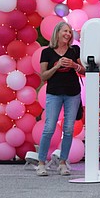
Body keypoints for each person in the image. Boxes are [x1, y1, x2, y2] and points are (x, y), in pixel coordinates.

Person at [36, 21, 84, 176]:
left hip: (72, 93)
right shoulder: (47, 52)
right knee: (49, 128)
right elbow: (43, 76)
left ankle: (63, 162)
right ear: (57, 33)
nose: (68, 34)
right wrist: (56, 67)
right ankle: (41, 162)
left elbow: (84, 70)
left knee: (69, 128)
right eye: (65, 31)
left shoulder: (75, 50)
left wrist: (74, 65)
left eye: (70, 32)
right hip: (54, 93)